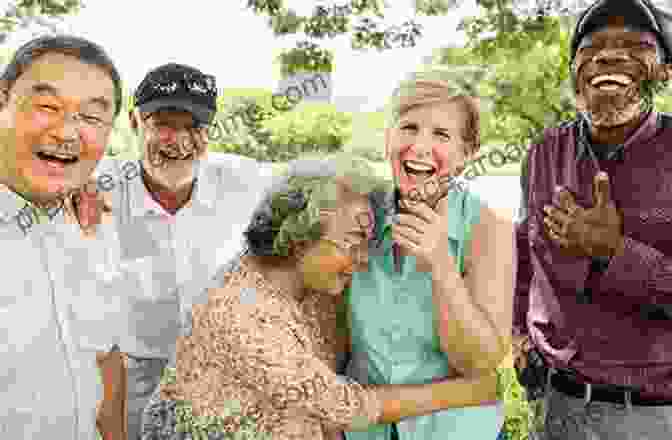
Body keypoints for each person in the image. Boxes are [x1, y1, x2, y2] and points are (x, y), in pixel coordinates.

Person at [140, 155, 500, 440]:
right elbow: (346, 405)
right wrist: (469, 392)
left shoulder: (311, 286)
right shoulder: (241, 313)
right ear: (300, 234)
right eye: (354, 241)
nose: (362, 262)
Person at [90, 62, 279, 440]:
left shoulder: (246, 182)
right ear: (133, 121)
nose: (178, 140)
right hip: (131, 376)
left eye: (193, 127)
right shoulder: (98, 187)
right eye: (162, 123)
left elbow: (325, 192)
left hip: (220, 373)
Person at [513, 0, 672, 438]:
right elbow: (525, 250)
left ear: (665, 71)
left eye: (634, 45)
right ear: (575, 71)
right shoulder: (545, 150)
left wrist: (615, 252)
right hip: (555, 406)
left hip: (653, 417)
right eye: (593, 46)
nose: (609, 55)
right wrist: (518, 331)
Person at [344, 72, 515, 440]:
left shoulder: (490, 226)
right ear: (388, 137)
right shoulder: (356, 214)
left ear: (466, 154)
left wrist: (441, 265)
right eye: (408, 127)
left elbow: (478, 364)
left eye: (441, 135)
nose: (420, 147)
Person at [0, 34, 134, 439]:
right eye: (47, 107)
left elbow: (108, 364)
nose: (68, 133)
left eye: (92, 117)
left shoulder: (96, 224)